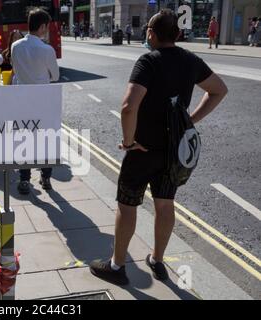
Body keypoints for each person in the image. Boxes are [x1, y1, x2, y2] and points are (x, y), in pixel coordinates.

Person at [89, 9, 227, 285]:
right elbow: (219, 90)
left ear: (151, 33)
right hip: (173, 151)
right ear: (177, 34)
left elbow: (129, 108)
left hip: (143, 151)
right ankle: (158, 260)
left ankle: (117, 267)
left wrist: (129, 143)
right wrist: (190, 120)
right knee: (165, 204)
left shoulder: (148, 61)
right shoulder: (191, 60)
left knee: (127, 206)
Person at [11, 8, 59, 194]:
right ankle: (45, 178)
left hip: (22, 99)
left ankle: (24, 180)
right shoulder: (47, 50)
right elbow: (55, 76)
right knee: (46, 139)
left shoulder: (16, 46)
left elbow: (16, 71)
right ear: (41, 26)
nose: (47, 29)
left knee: (24, 140)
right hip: (43, 100)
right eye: (46, 26)